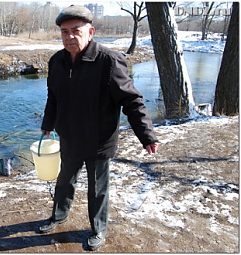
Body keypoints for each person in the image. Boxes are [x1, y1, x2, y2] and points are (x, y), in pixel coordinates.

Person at [38, 5, 160, 251]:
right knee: (64, 182)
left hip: (98, 139)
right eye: (64, 31)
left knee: (98, 189)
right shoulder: (57, 61)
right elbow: (54, 96)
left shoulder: (108, 61)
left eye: (76, 30)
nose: (69, 36)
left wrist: (146, 135)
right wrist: (48, 124)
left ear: (91, 32)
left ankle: (98, 229)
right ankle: (59, 216)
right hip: (69, 137)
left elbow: (131, 100)